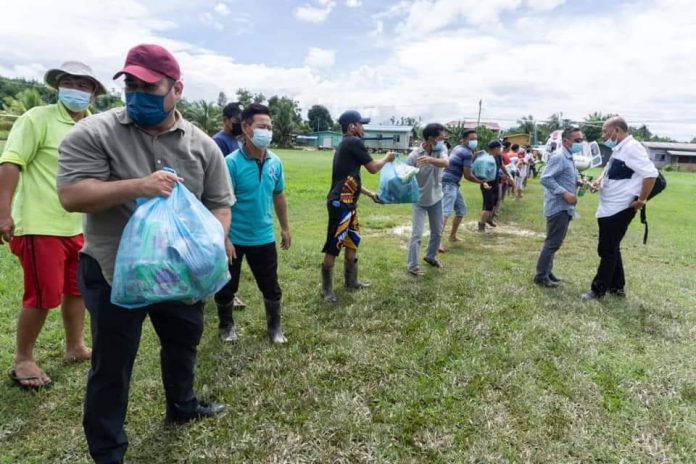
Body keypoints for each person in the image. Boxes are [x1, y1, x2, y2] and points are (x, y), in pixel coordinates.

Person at [57, 44, 234, 463]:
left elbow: (220, 203)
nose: (137, 94)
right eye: (130, 85)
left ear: (177, 90)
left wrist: (209, 248)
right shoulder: (94, 132)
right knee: (112, 364)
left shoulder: (202, 145)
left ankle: (183, 406)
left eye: (149, 87)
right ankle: (108, 449)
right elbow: (72, 195)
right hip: (114, 269)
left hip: (181, 273)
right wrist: (139, 185)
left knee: (182, 345)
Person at [0, 61, 106, 390]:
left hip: (80, 226)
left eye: (84, 85)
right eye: (70, 82)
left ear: (94, 94)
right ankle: (23, 359)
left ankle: (75, 345)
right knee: (44, 296)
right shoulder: (37, 119)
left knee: (77, 290)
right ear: (58, 86)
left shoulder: (96, 127)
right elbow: (11, 162)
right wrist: (3, 212)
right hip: (40, 225)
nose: (77, 89)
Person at [213, 103, 291, 344]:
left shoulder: (275, 163)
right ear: (246, 128)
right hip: (234, 238)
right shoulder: (231, 163)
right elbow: (220, 203)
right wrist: (224, 238)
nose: (266, 131)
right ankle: (226, 326)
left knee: (271, 286)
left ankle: (274, 328)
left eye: (269, 127)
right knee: (227, 286)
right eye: (261, 126)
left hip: (264, 237)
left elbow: (278, 196)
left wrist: (285, 228)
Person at [320, 110, 395, 303]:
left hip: (348, 203)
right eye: (361, 124)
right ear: (352, 126)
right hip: (340, 204)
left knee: (353, 240)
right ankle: (326, 290)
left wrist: (370, 195)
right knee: (333, 246)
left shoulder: (344, 145)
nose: (363, 127)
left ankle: (351, 281)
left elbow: (350, 178)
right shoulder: (353, 142)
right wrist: (387, 158)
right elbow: (372, 168)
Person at [581, 117, 658, 301]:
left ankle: (598, 290)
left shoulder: (632, 148)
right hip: (609, 206)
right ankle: (617, 286)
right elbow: (609, 170)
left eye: (605, 131)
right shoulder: (619, 149)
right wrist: (599, 182)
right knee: (612, 247)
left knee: (606, 249)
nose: (604, 135)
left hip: (620, 208)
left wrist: (641, 200)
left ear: (616, 130)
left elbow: (651, 174)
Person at [533, 127, 582, 287]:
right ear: (566, 141)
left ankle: (547, 271)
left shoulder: (569, 157)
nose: (580, 143)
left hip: (564, 207)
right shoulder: (559, 156)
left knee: (556, 241)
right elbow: (546, 178)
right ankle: (541, 276)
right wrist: (565, 193)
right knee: (552, 242)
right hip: (558, 206)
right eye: (577, 140)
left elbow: (562, 176)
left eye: (581, 140)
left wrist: (577, 181)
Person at [212, 102, 246, 309]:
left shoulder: (236, 141)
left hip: (233, 204)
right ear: (226, 120)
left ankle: (226, 289)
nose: (240, 125)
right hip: (221, 204)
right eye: (236, 122)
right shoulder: (219, 142)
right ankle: (226, 293)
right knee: (225, 249)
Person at [405, 123, 449, 276]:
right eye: (441, 137)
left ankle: (430, 256)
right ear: (431, 138)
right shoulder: (414, 156)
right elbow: (405, 176)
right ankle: (412, 266)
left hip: (437, 198)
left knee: (437, 231)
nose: (444, 140)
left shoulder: (441, 150)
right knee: (417, 234)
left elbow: (446, 163)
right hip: (419, 200)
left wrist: (429, 160)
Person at [439, 129, 491, 250]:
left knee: (461, 210)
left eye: (475, 139)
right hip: (449, 183)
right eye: (471, 139)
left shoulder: (458, 148)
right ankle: (437, 241)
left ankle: (452, 236)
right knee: (445, 212)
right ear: (464, 139)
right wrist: (482, 181)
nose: (474, 141)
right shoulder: (467, 153)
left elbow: (463, 161)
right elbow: (468, 175)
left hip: (452, 183)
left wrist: (475, 155)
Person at [479, 141, 512, 231]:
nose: (501, 149)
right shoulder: (485, 159)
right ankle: (481, 226)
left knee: (496, 201)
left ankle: (489, 219)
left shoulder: (498, 156)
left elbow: (502, 166)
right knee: (487, 205)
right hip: (487, 184)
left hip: (496, 183)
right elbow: (480, 173)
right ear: (496, 148)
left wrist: (509, 176)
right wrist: (483, 182)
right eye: (500, 148)